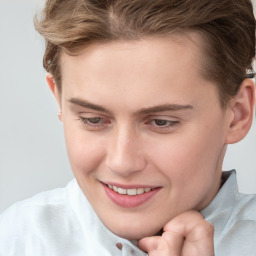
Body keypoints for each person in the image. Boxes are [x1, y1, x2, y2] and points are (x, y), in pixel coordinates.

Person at [0, 0, 255, 255]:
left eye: (161, 122)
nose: (122, 163)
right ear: (59, 101)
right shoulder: (16, 239)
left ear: (237, 114)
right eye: (93, 119)